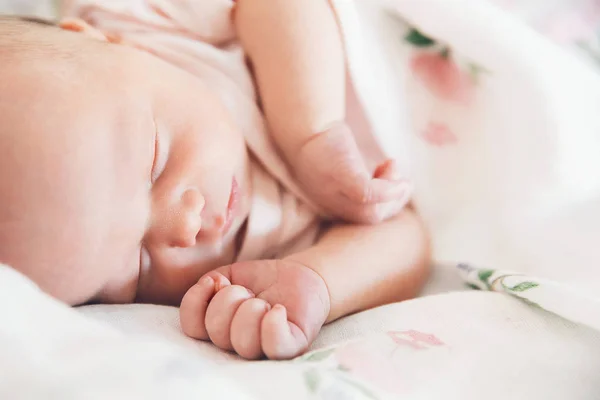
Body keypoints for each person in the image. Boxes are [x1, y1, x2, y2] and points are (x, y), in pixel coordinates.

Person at [0, 0, 429, 360]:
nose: (187, 227)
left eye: (155, 160)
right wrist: (315, 279)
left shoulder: (140, 20)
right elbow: (401, 231)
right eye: (136, 270)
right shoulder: (242, 271)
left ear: (100, 40)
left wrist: (311, 129)